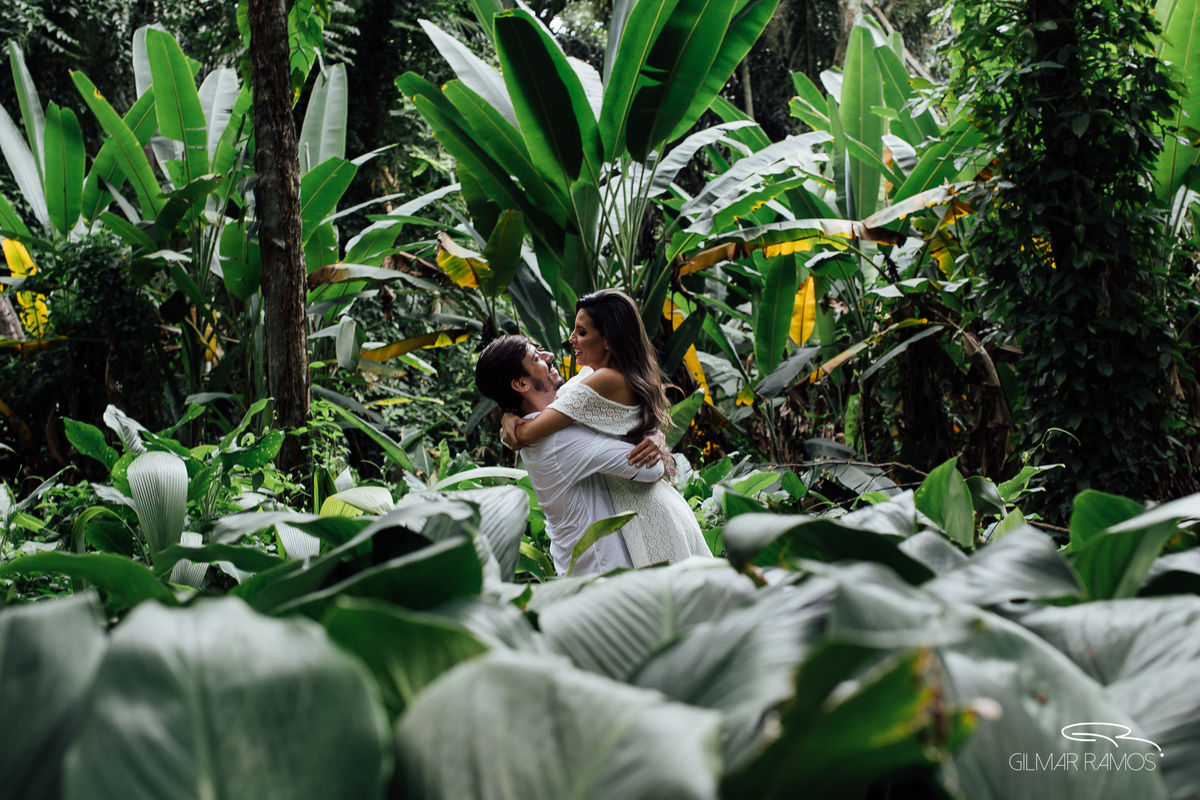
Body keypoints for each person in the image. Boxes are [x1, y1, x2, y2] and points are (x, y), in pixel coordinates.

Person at [501, 289, 711, 567]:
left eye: (581, 332)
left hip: (646, 514)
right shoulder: (595, 376)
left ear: (609, 340)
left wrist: (511, 424)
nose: (571, 339)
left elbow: (530, 433)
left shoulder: (601, 381)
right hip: (644, 510)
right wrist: (655, 434)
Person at [475, 335, 667, 576]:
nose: (549, 356)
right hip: (600, 573)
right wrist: (650, 435)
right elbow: (652, 469)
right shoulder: (556, 442)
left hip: (586, 568)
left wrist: (655, 432)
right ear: (521, 384)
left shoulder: (554, 414)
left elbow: (590, 375)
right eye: (536, 358)